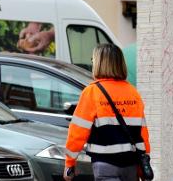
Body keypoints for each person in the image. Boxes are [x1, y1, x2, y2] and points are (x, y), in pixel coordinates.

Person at [64, 44, 150, 181]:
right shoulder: (133, 93)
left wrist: (70, 163)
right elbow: (142, 134)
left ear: (99, 64)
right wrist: (143, 164)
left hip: (105, 165)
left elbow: (77, 133)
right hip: (131, 166)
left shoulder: (92, 92)